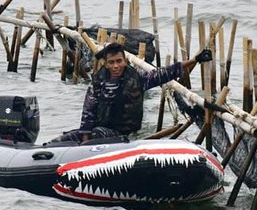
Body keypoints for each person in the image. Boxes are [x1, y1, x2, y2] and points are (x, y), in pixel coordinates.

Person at [51, 42, 212, 144]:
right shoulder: (98, 83)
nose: (115, 66)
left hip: (119, 134)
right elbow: (88, 112)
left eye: (119, 61)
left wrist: (195, 60)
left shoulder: (136, 80)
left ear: (125, 61)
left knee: (94, 135)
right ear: (106, 64)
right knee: (67, 138)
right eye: (111, 62)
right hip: (96, 130)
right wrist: (84, 140)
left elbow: (165, 73)